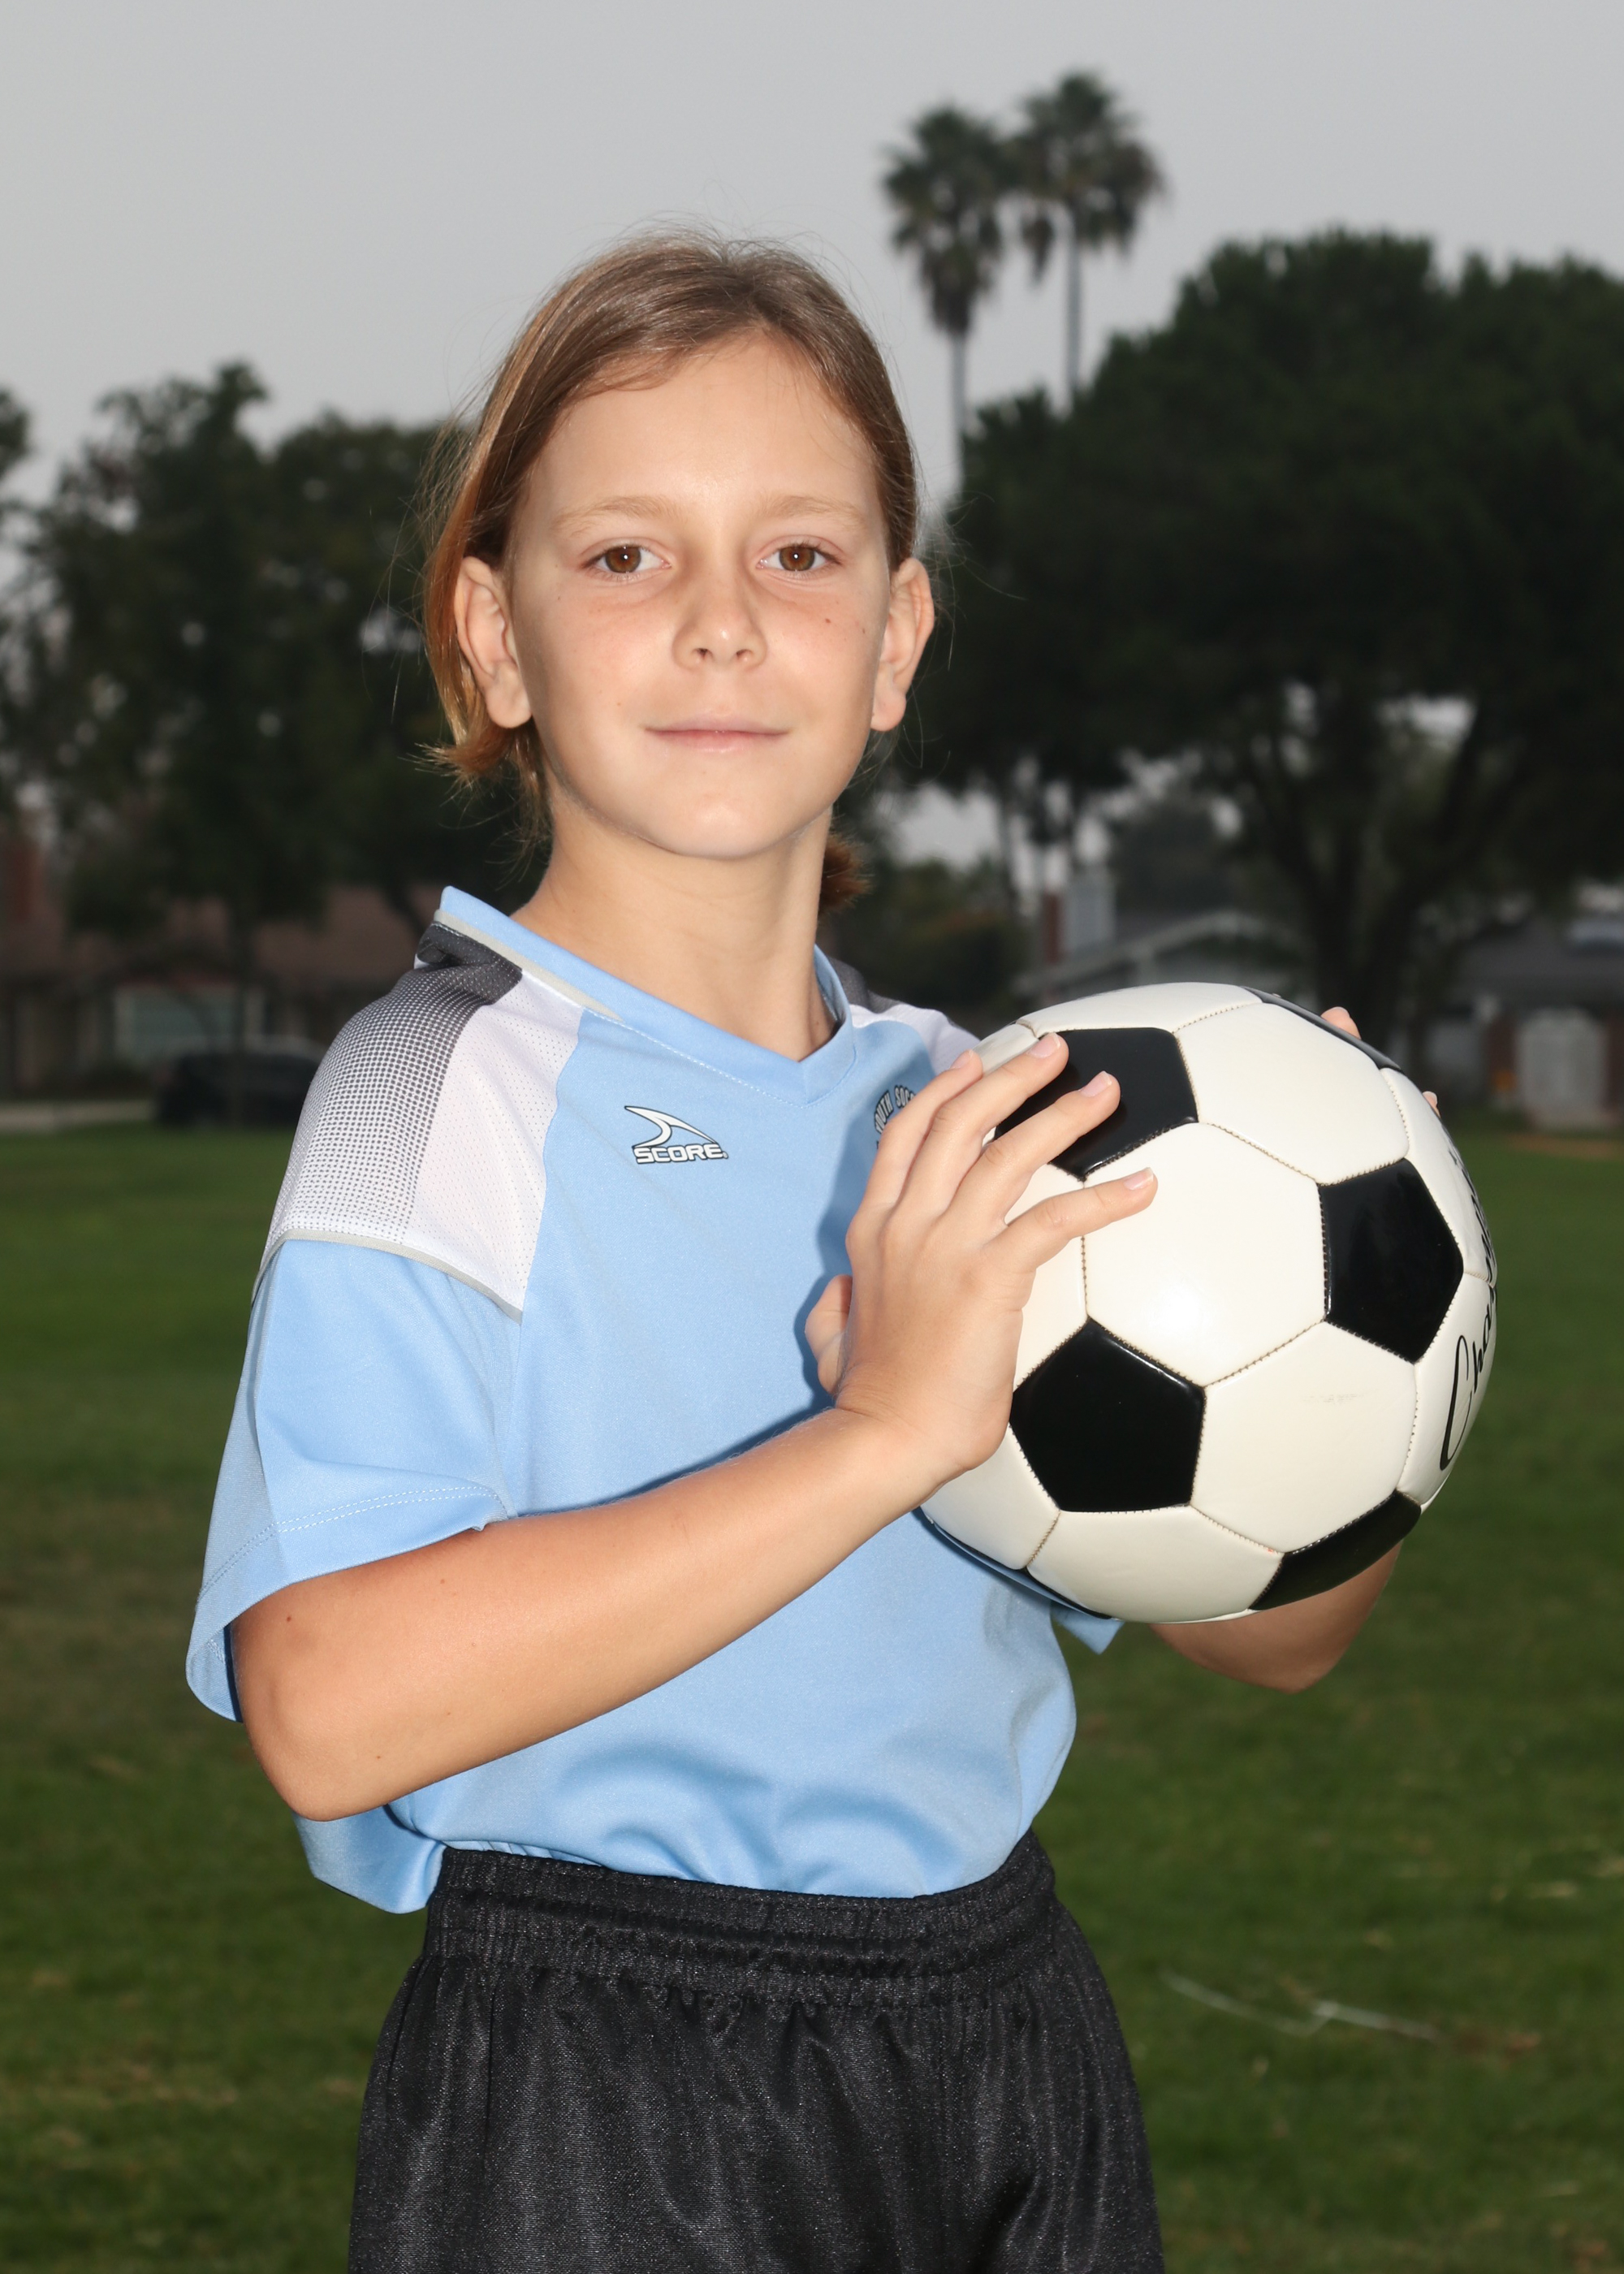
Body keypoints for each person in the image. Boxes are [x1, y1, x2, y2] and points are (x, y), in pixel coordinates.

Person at [186, 234, 1399, 2274]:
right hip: (608, 2063)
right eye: (626, 556)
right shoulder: (436, 1090)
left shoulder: (976, 1105)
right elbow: (323, 1702)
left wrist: (1336, 1271)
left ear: (897, 636)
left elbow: (1272, 1634)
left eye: (801, 554)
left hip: (1002, 2034)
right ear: (492, 637)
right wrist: (876, 1435)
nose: (723, 621)